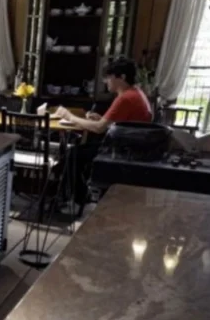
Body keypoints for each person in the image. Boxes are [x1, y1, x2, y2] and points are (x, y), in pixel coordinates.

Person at [52, 57, 153, 212]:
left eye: (109, 77)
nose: (106, 82)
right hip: (131, 148)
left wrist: (69, 116)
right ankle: (73, 194)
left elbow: (99, 128)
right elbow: (120, 124)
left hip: (121, 151)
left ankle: (72, 197)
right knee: (72, 155)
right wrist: (102, 119)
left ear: (122, 77)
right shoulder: (136, 93)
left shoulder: (126, 98)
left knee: (72, 156)